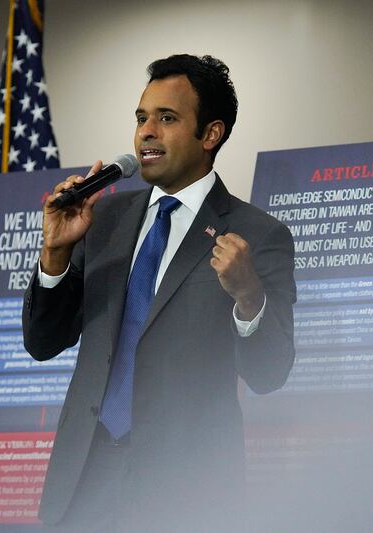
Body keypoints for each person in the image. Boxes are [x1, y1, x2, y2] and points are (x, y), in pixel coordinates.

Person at [22, 54, 296, 531]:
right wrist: (55, 256)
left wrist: (249, 295)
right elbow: (43, 342)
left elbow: (270, 373)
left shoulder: (258, 234)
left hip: (184, 494)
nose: (146, 132)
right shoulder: (100, 220)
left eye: (166, 119)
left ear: (210, 134)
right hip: (83, 483)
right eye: (141, 118)